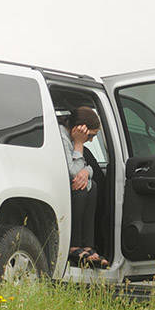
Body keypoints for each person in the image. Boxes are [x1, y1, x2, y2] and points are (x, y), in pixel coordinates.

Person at [59, 106, 107, 267]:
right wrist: (79, 144)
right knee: (81, 188)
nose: (91, 140)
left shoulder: (71, 139)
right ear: (79, 129)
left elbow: (82, 169)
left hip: (72, 186)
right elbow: (73, 172)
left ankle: (87, 245)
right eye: (91, 136)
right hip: (61, 189)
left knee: (91, 186)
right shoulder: (63, 138)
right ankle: (74, 245)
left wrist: (87, 171)